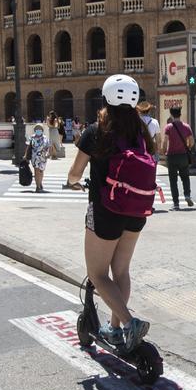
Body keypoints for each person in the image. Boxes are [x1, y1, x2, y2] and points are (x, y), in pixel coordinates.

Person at [66, 74, 153, 345]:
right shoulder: (142, 131)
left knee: (98, 274)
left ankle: (129, 322)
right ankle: (115, 330)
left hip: (106, 210)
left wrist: (73, 183)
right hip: (137, 209)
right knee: (121, 272)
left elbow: (74, 173)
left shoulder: (96, 131)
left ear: (105, 98)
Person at [160, 107, 195, 209]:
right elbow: (191, 141)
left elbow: (165, 141)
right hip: (183, 156)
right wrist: (187, 147)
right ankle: (187, 195)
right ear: (180, 114)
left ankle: (176, 203)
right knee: (185, 177)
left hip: (172, 156)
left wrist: (164, 151)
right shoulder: (187, 127)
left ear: (171, 115)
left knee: (173, 180)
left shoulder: (168, 127)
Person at [27, 123, 51, 192]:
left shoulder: (45, 138)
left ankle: (40, 183)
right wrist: (26, 156)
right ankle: (37, 186)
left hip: (43, 158)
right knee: (36, 171)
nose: (38, 130)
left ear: (42, 130)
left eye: (40, 129)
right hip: (34, 158)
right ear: (35, 130)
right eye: (37, 129)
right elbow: (28, 147)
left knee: (41, 171)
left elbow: (48, 147)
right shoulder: (32, 137)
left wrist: (48, 153)